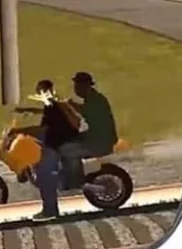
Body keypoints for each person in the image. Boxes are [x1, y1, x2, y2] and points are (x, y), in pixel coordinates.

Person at [15, 79, 83, 221]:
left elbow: (44, 128)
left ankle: (50, 210)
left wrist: (19, 130)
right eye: (40, 91)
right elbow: (48, 114)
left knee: (44, 175)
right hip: (57, 139)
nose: (42, 94)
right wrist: (30, 111)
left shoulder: (52, 105)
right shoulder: (52, 103)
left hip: (57, 143)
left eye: (43, 91)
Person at [62, 71, 119, 189]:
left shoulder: (96, 101)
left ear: (84, 86)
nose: (75, 89)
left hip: (100, 141)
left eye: (77, 85)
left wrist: (69, 106)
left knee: (66, 151)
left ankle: (75, 181)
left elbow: (85, 113)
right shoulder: (94, 98)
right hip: (98, 137)